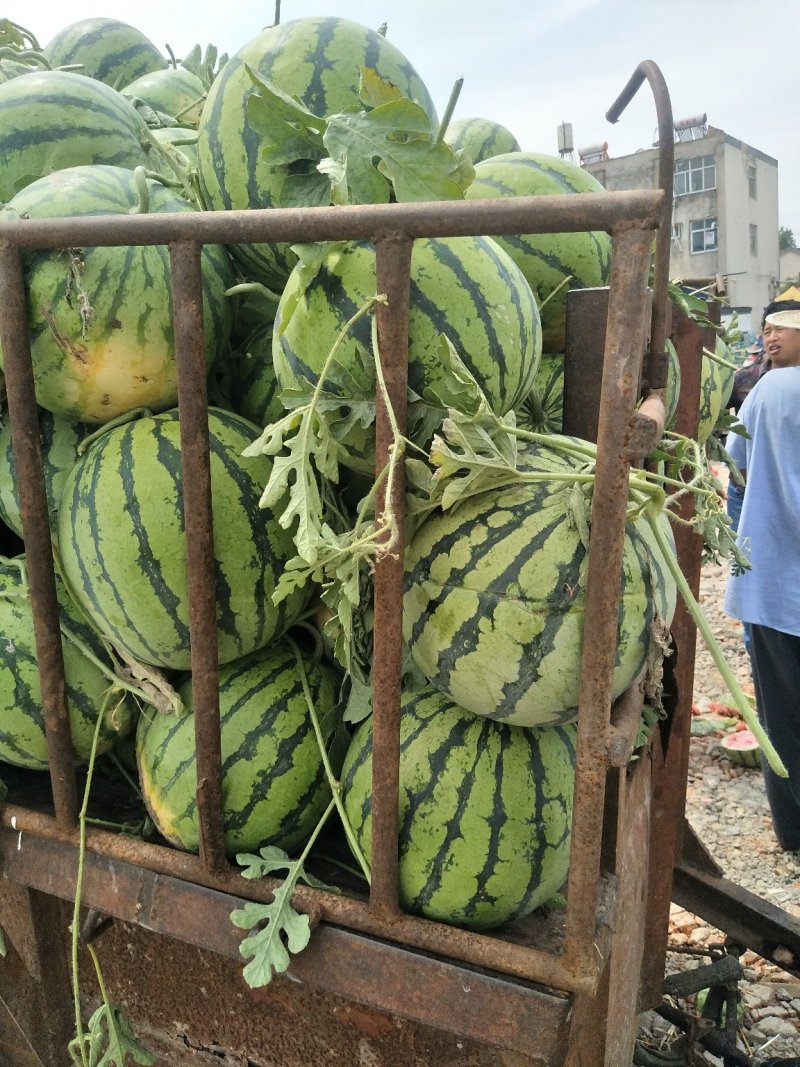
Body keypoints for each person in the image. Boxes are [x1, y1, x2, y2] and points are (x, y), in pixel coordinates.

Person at [723, 307, 800, 851]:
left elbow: (738, 462)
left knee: (782, 715)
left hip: (775, 584)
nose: (770, 335)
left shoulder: (768, 392)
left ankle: (794, 831)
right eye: (767, 327)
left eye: (782, 327)